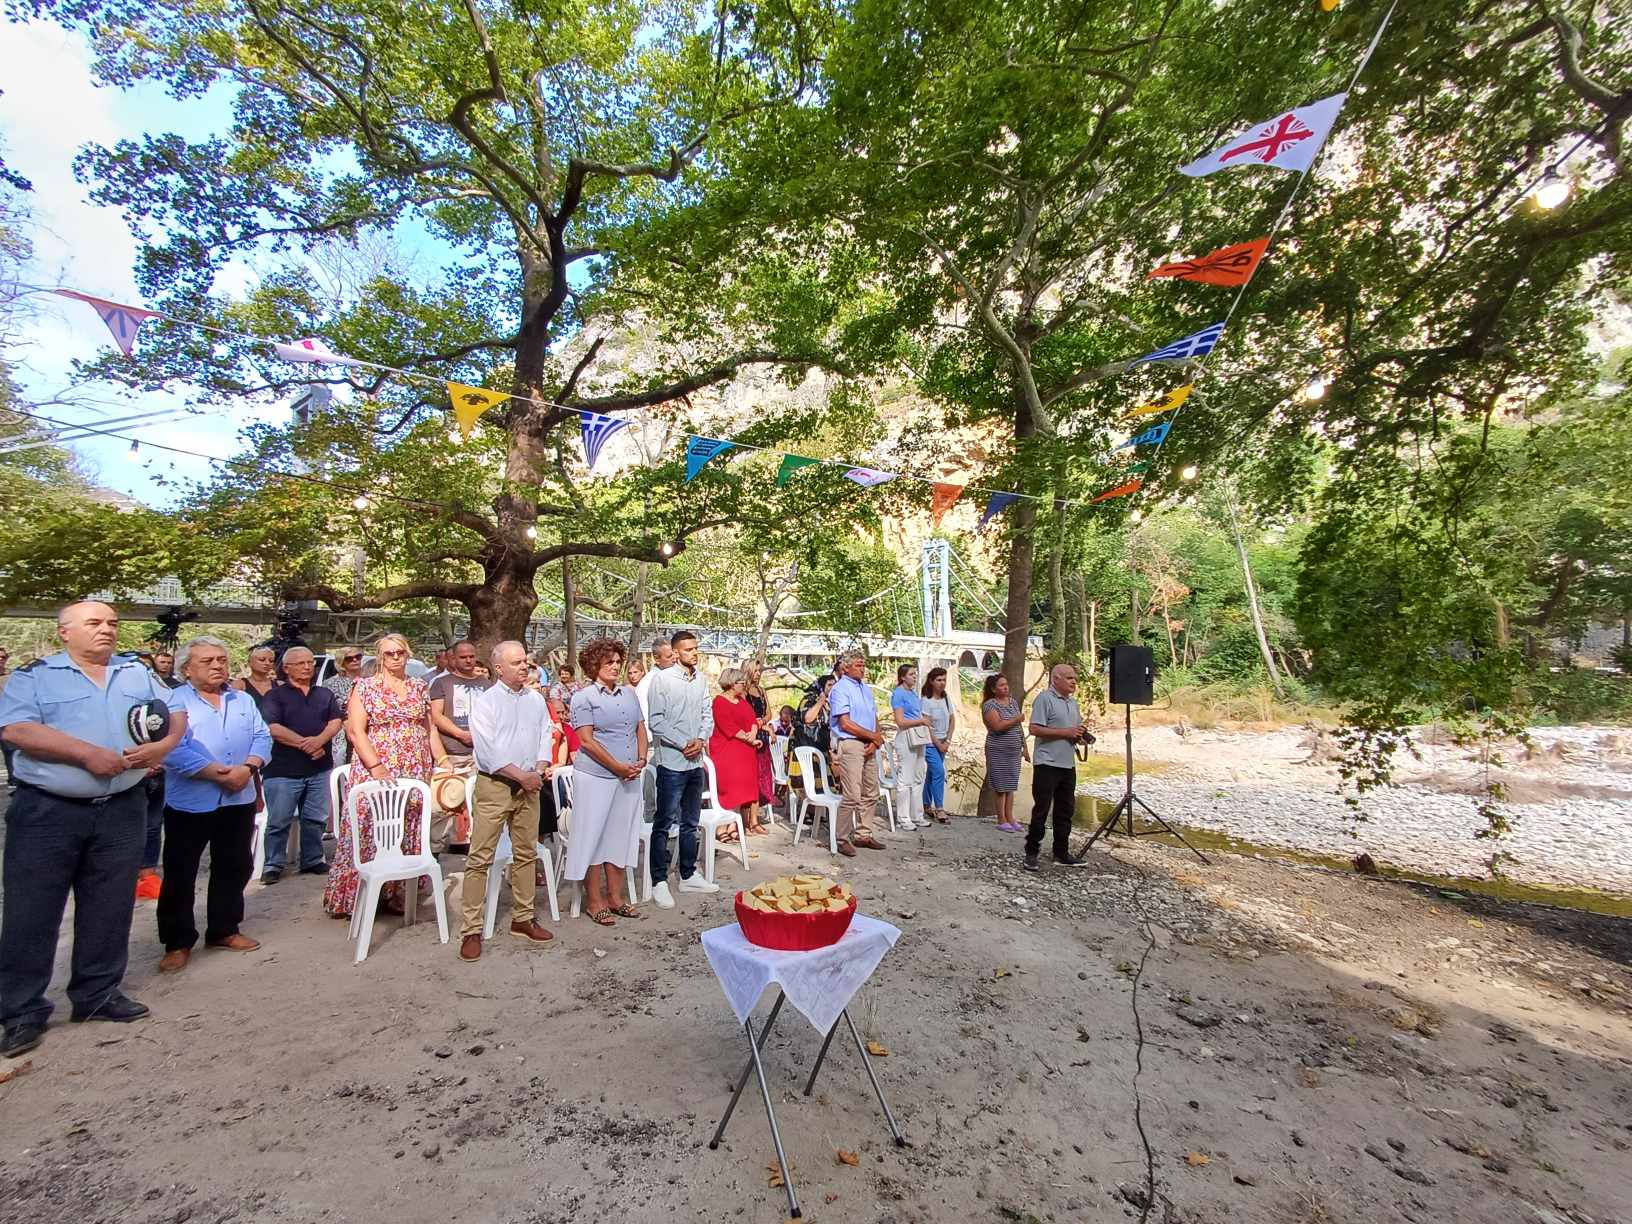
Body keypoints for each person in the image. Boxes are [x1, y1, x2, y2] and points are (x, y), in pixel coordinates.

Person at [0, 601, 189, 1057]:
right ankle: (21, 1010)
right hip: (49, 810)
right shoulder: (36, 675)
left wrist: (162, 745)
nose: (106, 630)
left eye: (112, 623)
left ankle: (97, 993)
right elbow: (15, 729)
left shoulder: (135, 673)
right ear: (65, 632)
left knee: (109, 903)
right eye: (94, 623)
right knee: (32, 911)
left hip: (122, 805)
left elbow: (174, 710)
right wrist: (84, 754)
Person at [156, 636, 271, 972]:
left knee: (235, 866)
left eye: (221, 659)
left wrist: (248, 768)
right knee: (181, 872)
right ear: (187, 669)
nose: (218, 665)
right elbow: (170, 747)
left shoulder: (242, 700)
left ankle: (224, 929)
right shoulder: (173, 701)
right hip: (191, 800)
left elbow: (262, 736)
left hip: (239, 796)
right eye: (208, 661)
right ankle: (177, 941)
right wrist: (217, 773)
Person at [324, 633, 447, 919]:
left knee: (408, 830)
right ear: (380, 657)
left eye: (400, 652)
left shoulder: (419, 686)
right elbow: (355, 730)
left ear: (407, 654)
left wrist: (442, 759)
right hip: (377, 767)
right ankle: (354, 897)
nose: (395, 658)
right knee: (370, 829)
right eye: (389, 653)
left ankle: (396, 894)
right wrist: (377, 766)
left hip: (416, 767)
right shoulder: (365, 687)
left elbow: (430, 729)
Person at [459, 640, 555, 960]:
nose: (524, 666)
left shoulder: (535, 701)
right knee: (480, 857)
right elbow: (488, 752)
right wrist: (522, 776)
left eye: (525, 661)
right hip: (495, 786)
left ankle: (523, 918)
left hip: (530, 784)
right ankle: (471, 929)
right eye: (516, 662)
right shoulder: (486, 702)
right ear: (499, 668)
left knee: (525, 853)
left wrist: (539, 770)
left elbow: (545, 735)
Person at [566, 638, 648, 926]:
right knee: (594, 836)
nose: (615, 666)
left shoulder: (629, 694)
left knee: (621, 836)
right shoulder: (583, 697)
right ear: (594, 667)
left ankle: (616, 896)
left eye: (617, 661)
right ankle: (595, 900)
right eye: (608, 662)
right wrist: (617, 767)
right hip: (596, 776)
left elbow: (640, 728)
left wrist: (641, 759)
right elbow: (586, 741)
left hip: (629, 775)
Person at [645, 629, 718, 905]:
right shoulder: (661, 680)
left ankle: (688, 874)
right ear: (675, 653)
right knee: (664, 822)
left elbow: (706, 714)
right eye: (688, 649)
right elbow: (656, 721)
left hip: (695, 761)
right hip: (672, 762)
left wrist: (700, 740)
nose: (694, 653)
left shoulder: (700, 680)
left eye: (695, 648)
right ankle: (659, 880)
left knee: (691, 821)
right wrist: (683, 743)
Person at [260, 646, 343, 883]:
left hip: (319, 768)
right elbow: (273, 728)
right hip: (283, 770)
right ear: (286, 668)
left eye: (310, 662)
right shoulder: (274, 696)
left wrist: (319, 741)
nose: (308, 667)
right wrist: (305, 744)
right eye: (301, 663)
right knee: (279, 820)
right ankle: (274, 863)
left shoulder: (323, 694)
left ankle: (313, 859)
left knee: (315, 818)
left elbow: (335, 721)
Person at [1025, 663, 1092, 871]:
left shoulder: (1073, 703)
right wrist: (1067, 733)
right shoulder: (1044, 699)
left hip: (1067, 763)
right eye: (1069, 678)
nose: (1074, 682)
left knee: (1066, 810)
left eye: (1075, 678)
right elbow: (1034, 728)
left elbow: (1073, 731)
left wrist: (1080, 737)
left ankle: (1061, 853)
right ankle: (1031, 853)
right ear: (1056, 679)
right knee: (1042, 809)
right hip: (1047, 763)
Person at [428, 640, 492, 850]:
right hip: (452, 753)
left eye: (471, 656)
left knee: (480, 804)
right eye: (463, 657)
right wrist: (460, 734)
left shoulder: (486, 684)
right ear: (453, 658)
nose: (468, 660)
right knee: (444, 804)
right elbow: (435, 716)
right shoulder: (441, 683)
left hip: (481, 753)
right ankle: (435, 851)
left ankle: (475, 847)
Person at [830, 648, 886, 857]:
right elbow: (845, 723)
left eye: (863, 665)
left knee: (871, 791)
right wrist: (872, 736)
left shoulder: (865, 688)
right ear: (845, 667)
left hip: (869, 741)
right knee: (852, 793)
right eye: (858, 665)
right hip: (851, 742)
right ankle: (842, 837)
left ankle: (863, 833)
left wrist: (876, 738)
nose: (863, 669)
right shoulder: (840, 689)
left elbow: (873, 715)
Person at [709, 667, 765, 839]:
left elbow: (752, 719)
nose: (744, 685)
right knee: (729, 787)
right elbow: (729, 727)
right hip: (727, 751)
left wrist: (753, 733)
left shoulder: (742, 701)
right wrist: (749, 739)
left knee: (743, 787)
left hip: (745, 752)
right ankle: (721, 827)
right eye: (741, 683)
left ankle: (733, 825)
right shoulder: (719, 701)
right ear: (732, 684)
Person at [982, 674, 1029, 833]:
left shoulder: (1013, 702)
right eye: (1001, 685)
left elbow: (1019, 728)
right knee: (1001, 787)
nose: (1005, 687)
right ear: (993, 689)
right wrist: (1016, 719)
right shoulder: (990, 705)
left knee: (1010, 786)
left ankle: (1010, 818)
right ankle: (1001, 819)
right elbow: (997, 726)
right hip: (998, 750)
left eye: (1006, 684)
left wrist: (1025, 748)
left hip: (1014, 751)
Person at [889, 663, 931, 832]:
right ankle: (903, 817)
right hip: (907, 736)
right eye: (911, 674)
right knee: (905, 778)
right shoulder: (899, 694)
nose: (914, 676)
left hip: (919, 735)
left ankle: (917, 814)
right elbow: (900, 721)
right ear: (902, 677)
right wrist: (920, 721)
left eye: (915, 674)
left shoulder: (913, 693)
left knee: (919, 774)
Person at [742, 659, 777, 816]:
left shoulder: (761, 691)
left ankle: (755, 817)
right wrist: (757, 724)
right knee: (751, 776)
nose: (758, 674)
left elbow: (769, 713)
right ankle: (748, 816)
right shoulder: (743, 691)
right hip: (750, 735)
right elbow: (743, 714)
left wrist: (763, 722)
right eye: (755, 671)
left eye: (759, 671)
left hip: (762, 734)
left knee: (763, 775)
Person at [920, 667, 956, 824]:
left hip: (943, 741)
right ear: (931, 681)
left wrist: (947, 740)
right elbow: (926, 726)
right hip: (930, 743)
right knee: (939, 772)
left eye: (944, 680)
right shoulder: (926, 701)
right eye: (939, 680)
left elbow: (952, 720)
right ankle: (940, 808)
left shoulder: (946, 699)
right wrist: (937, 744)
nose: (942, 683)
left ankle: (926, 803)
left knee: (932, 774)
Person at [322, 647, 365, 765]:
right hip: (341, 730)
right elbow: (333, 710)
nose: (355, 660)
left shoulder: (368, 680)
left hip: (366, 728)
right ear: (341, 662)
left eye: (358, 657)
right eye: (349, 659)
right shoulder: (330, 683)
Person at [234, 645, 280, 714]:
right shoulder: (239, 685)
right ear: (250, 662)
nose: (267, 663)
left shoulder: (280, 685)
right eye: (262, 660)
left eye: (271, 661)